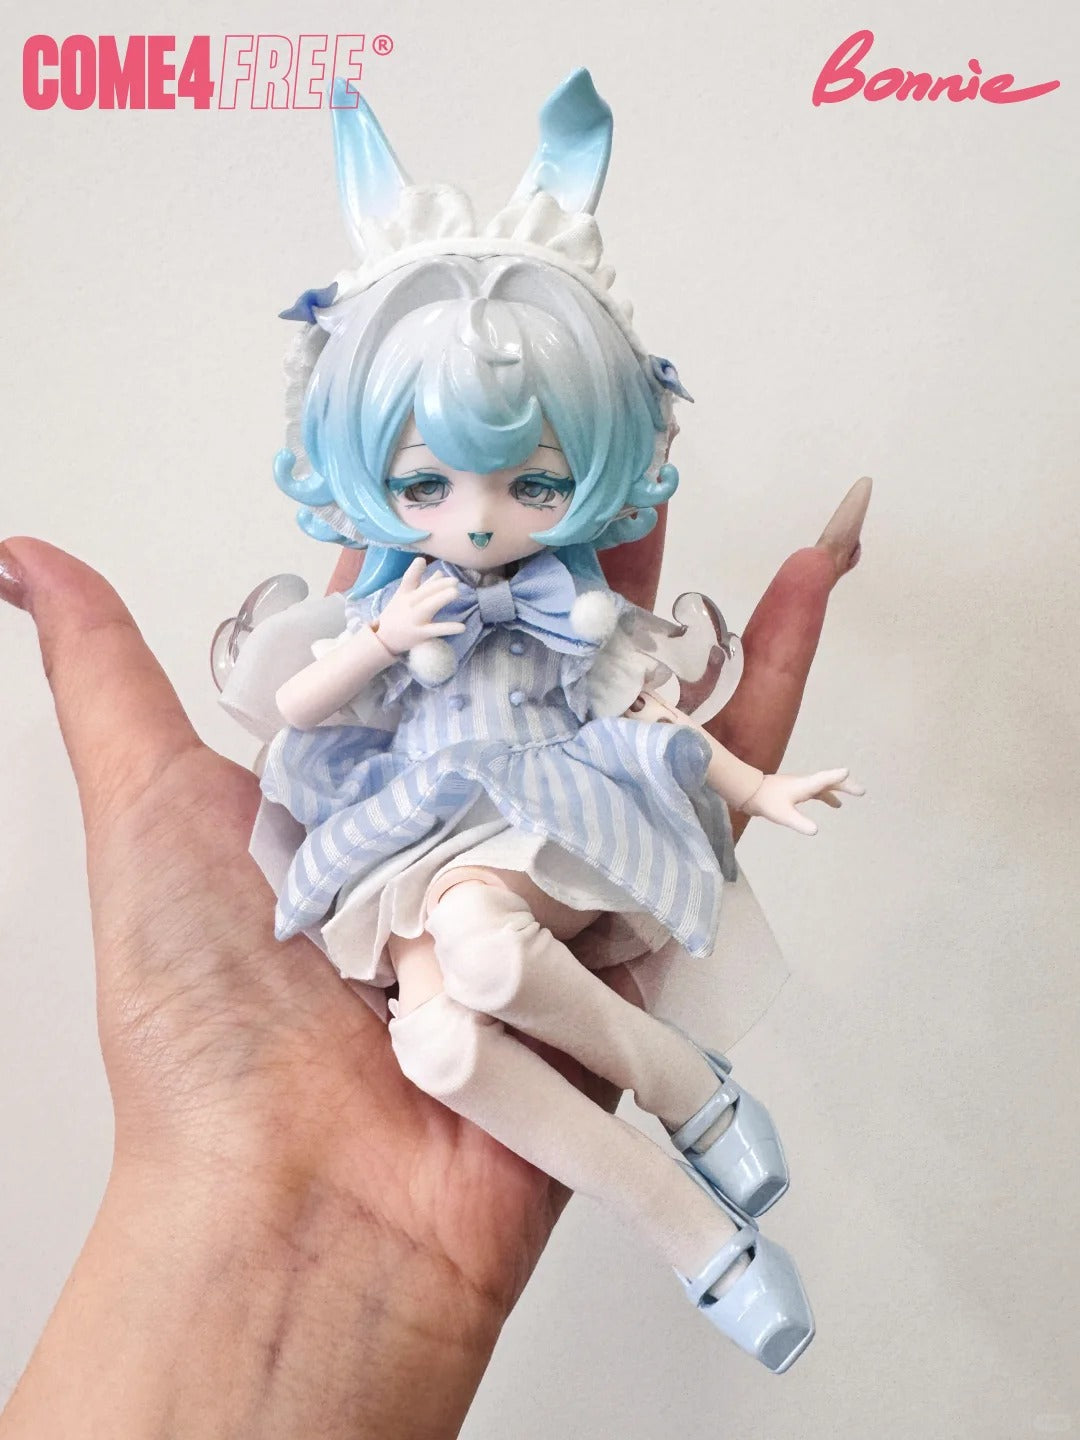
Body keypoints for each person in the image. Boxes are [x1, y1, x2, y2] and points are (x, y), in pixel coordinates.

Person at [0, 492, 865, 1436]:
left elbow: (647, 709)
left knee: (484, 943)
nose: (481, 514)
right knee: (439, 1049)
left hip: (539, 813)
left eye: (533, 484)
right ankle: (693, 1214)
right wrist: (381, 639)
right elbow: (295, 708)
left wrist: (758, 787)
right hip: (409, 831)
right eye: (426, 485)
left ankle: (687, 1099)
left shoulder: (564, 605)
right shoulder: (387, 604)